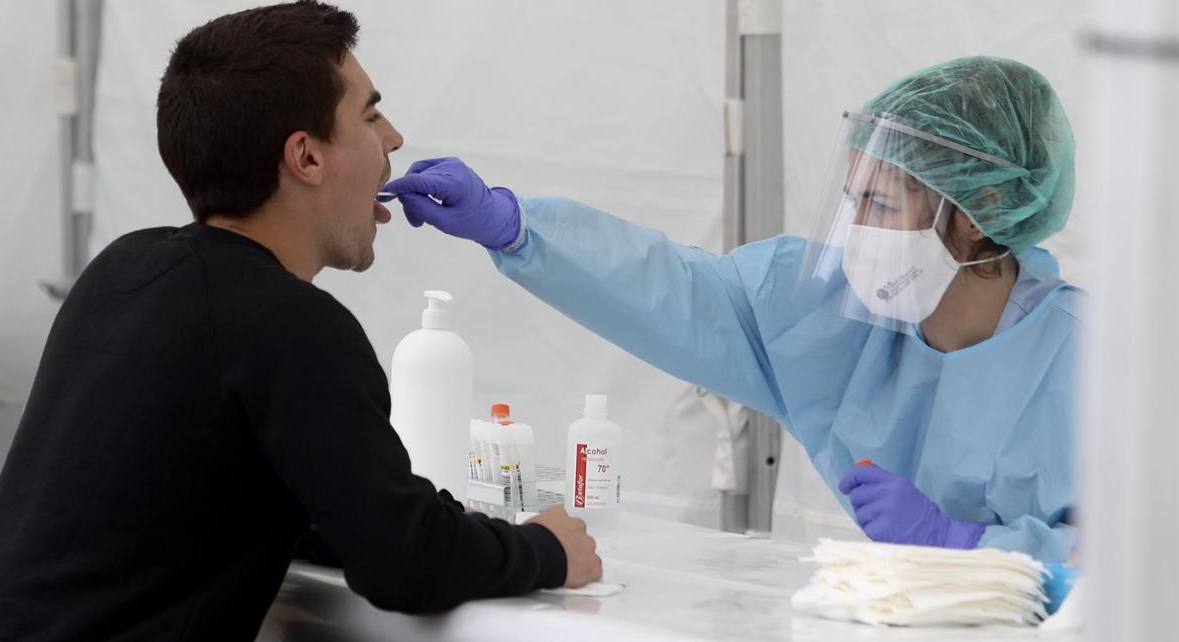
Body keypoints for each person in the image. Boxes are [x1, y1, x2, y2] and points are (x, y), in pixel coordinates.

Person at [0, 0, 599, 641]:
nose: (394, 138)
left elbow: (225, 494)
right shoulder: (294, 326)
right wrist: (544, 547)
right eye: (370, 118)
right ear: (306, 157)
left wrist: (411, 519)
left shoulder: (122, 272)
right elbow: (404, 562)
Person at [382, 56, 1081, 562]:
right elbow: (672, 295)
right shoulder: (830, 312)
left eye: (880, 205)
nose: (854, 233)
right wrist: (519, 229)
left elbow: (1139, 568)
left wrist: (975, 546)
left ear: (981, 214)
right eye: (851, 201)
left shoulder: (1092, 361)